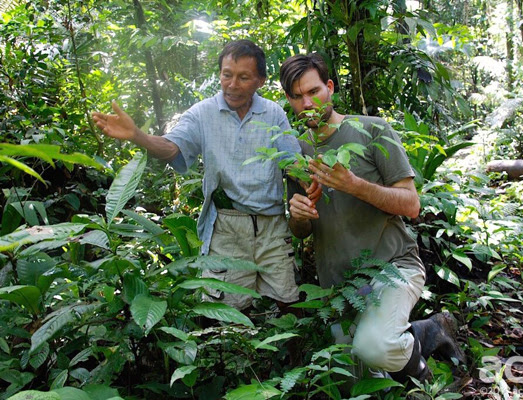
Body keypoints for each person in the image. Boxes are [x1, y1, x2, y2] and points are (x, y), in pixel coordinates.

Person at [92, 40, 319, 311]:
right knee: (224, 314)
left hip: (272, 226)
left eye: (243, 77)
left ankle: (290, 354)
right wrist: (138, 136)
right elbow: (172, 147)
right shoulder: (202, 114)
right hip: (227, 226)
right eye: (226, 75)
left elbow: (292, 163)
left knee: (288, 303)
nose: (232, 84)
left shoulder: (272, 113)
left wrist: (313, 179)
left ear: (260, 80)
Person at [280, 53, 465, 383]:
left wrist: (355, 185)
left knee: (376, 347)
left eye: (314, 91)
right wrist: (298, 214)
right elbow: (301, 231)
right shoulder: (297, 151)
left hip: (392, 265)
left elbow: (411, 205)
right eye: (297, 96)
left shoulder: (371, 130)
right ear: (289, 100)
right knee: (360, 381)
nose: (307, 103)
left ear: (331, 87)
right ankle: (422, 339)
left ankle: (428, 334)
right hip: (338, 283)